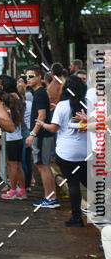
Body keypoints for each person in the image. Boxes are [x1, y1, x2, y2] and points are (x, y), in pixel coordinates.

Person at [34, 75, 87, 226]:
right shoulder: (88, 104)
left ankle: (76, 217)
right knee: (89, 182)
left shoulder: (62, 106)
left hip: (66, 153)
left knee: (73, 183)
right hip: (85, 152)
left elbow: (53, 128)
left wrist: (42, 124)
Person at [25, 65, 60, 209]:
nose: (28, 79)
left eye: (31, 76)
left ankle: (50, 198)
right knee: (43, 166)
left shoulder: (39, 93)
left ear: (39, 77)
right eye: (27, 76)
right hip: (43, 135)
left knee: (43, 166)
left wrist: (32, 134)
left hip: (41, 135)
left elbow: (42, 116)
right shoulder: (40, 93)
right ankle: (50, 197)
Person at [0, 75, 27, 200]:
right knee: (18, 165)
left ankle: (13, 190)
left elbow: (4, 126)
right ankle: (22, 190)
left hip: (11, 141)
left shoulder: (6, 113)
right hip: (19, 139)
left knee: (12, 166)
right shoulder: (17, 107)